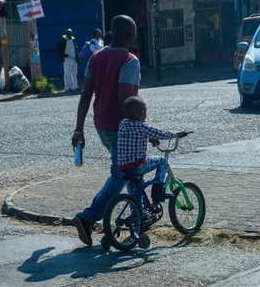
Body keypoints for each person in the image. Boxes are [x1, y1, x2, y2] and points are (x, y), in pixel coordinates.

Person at [71, 15, 140, 246]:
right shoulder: (130, 60)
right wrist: (143, 129)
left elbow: (85, 95)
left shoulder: (96, 57)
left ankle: (137, 219)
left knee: (132, 169)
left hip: (101, 125)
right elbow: (124, 101)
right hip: (122, 127)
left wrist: (78, 129)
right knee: (121, 173)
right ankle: (88, 217)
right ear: (130, 34)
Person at [118, 96, 185, 202]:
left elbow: (133, 135)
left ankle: (138, 215)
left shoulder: (123, 124)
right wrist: (177, 134)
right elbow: (161, 134)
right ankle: (158, 190)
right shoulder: (142, 127)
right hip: (138, 165)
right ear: (142, 113)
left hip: (123, 166)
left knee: (137, 193)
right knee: (162, 161)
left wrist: (149, 138)